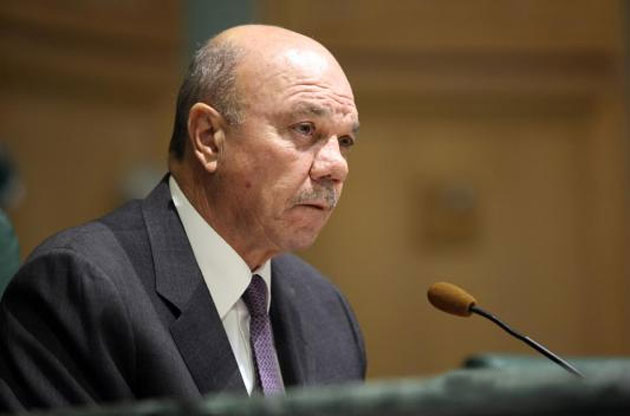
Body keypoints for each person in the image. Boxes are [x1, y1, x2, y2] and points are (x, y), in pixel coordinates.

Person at [0, 25, 365, 412]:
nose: (336, 166)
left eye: (344, 141)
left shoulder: (327, 310)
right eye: (305, 129)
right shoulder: (80, 288)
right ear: (208, 137)